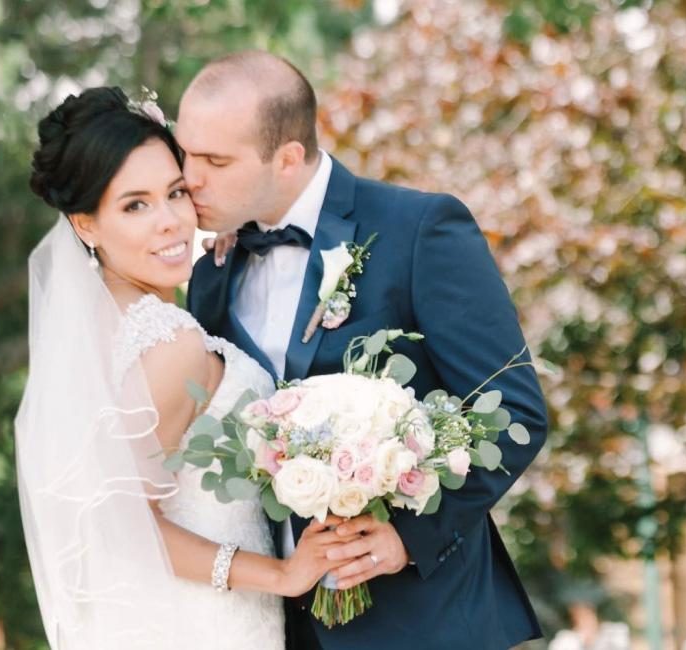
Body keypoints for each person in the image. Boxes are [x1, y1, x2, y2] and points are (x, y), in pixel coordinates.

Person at [180, 51, 549, 649]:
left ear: (288, 157)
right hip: (271, 623)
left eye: (215, 161)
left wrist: (407, 538)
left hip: (422, 621)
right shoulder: (211, 274)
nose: (190, 179)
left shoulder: (419, 231)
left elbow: (515, 415)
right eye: (186, 153)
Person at [17, 86, 353, 649]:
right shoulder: (168, 342)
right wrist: (280, 574)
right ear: (85, 225)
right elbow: (123, 528)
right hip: (208, 622)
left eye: (175, 193)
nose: (171, 222)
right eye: (134, 205)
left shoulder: (102, 328)